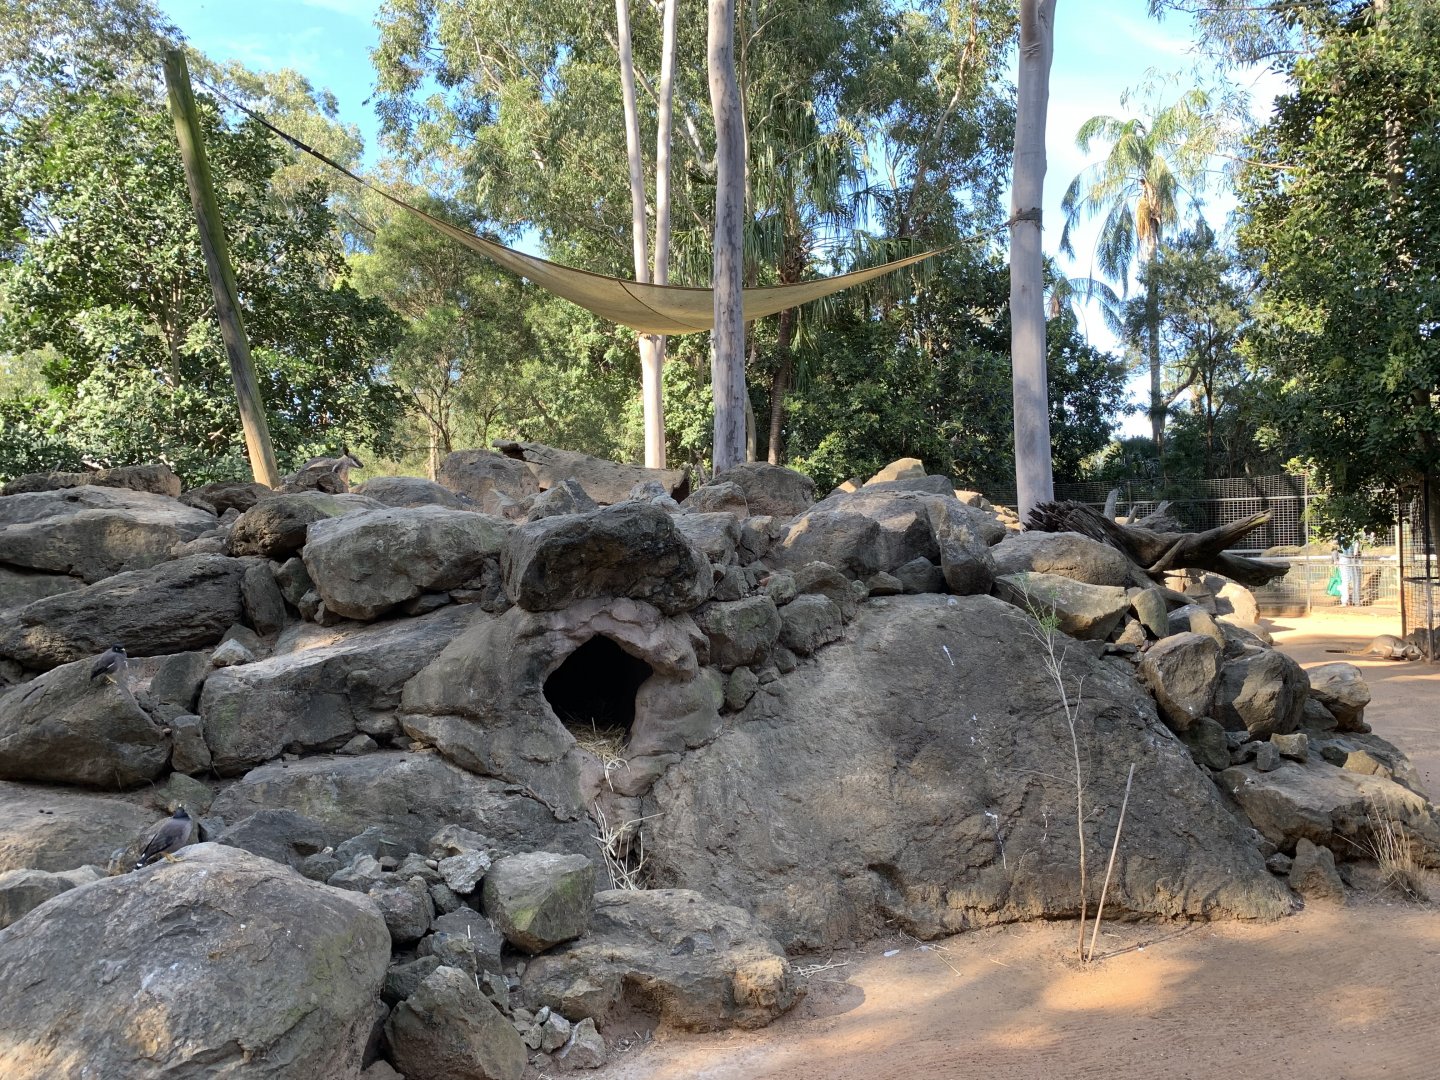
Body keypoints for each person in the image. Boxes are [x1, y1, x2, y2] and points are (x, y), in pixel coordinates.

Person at [1337, 535, 1362, 606]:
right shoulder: (1355, 533)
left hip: (1345, 557)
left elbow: (1335, 546)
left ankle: (1345, 601)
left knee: (1346, 580)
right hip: (1352, 557)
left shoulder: (1340, 534)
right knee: (1354, 579)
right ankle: (1355, 601)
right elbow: (1356, 545)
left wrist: (1335, 559)